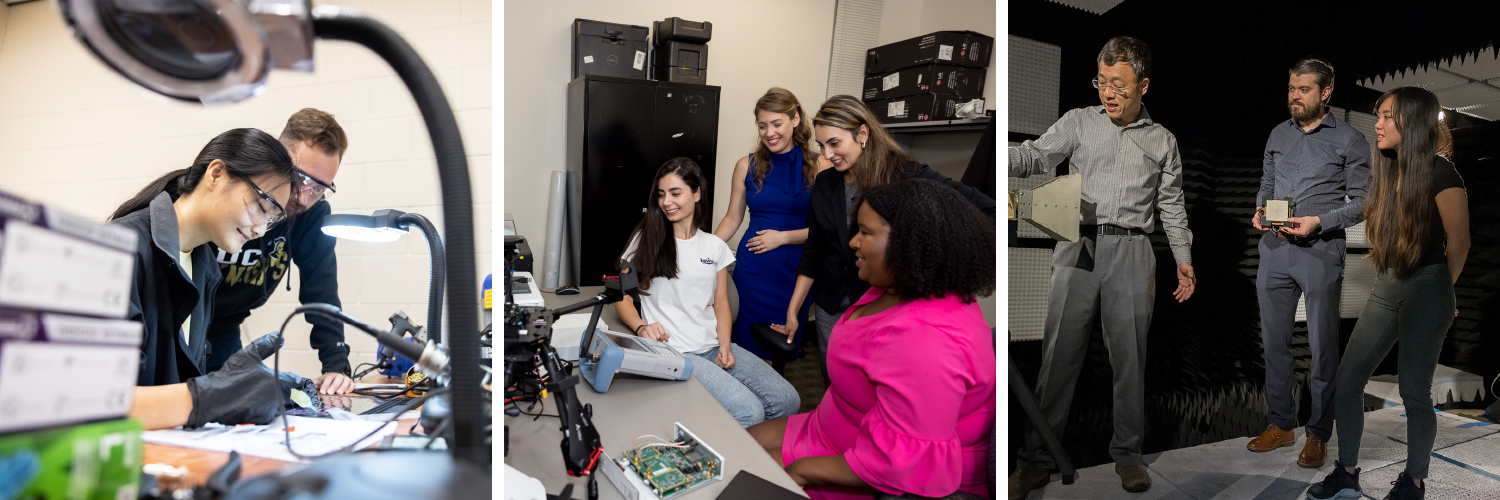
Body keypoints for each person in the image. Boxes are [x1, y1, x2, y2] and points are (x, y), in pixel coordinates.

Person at [1008, 36, 1195, 497]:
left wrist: (1184, 259)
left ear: (1143, 86)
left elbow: (1172, 206)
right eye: (1102, 82)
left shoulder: (1163, 140)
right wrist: (999, 154)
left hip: (1133, 251)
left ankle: (1128, 455)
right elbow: (1035, 156)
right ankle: (1037, 458)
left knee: (1130, 360)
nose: (1108, 93)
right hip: (1078, 246)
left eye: (1119, 85)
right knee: (1058, 358)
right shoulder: (1078, 121)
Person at [748, 178, 996, 499]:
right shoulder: (892, 287)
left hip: (871, 471)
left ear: (909, 243)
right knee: (729, 445)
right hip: (831, 427)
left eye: (865, 233)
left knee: (731, 477)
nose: (853, 241)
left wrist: (799, 471)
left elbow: (902, 466)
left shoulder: (927, 341)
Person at [1307, 86, 1468, 500]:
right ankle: (1347, 472)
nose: (1377, 125)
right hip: (1388, 283)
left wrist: (1442, 293)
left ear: (1411, 122)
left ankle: (1414, 482)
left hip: (1428, 285)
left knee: (1414, 392)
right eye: (1377, 116)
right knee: (1348, 381)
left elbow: (1460, 242)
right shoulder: (1388, 171)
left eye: (1386, 117)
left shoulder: (1441, 172)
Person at [109, 128, 313, 430]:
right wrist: (212, 396)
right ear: (216, 174)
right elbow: (102, 400)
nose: (260, 230)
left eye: (271, 220)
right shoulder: (120, 250)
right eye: (260, 208)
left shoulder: (204, 268)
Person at [775, 95, 994, 374]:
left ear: (862, 134)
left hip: (883, 305)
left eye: (834, 143)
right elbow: (814, 249)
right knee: (835, 378)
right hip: (831, 304)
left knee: (877, 384)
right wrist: (794, 309)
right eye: (821, 145)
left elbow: (988, 210)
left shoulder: (905, 175)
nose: (827, 155)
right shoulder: (825, 182)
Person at [1248, 58, 1370, 468]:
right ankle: (1281, 425)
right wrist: (1260, 209)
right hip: (1275, 250)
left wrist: (1320, 221)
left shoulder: (1350, 139)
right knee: (1275, 344)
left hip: (1320, 252)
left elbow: (1363, 203)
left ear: (1325, 92)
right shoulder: (1278, 133)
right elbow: (1267, 183)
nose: (1295, 96)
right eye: (1291, 89)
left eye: (1304, 90)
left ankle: (1318, 432)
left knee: (1322, 348)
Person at [614, 158, 801, 427]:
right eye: (662, 195)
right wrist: (642, 327)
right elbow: (622, 298)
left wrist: (724, 345)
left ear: (697, 193)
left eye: (675, 193)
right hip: (675, 351)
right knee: (749, 411)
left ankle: (748, 447)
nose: (667, 202)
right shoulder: (645, 241)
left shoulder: (714, 246)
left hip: (712, 346)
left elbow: (721, 304)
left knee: (787, 400)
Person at [207, 108, 353, 395]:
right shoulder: (237, 191)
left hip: (225, 329)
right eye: (301, 178)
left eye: (319, 188)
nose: (304, 198)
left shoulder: (311, 215)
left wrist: (336, 365)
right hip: (176, 326)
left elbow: (321, 289)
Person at [713, 87, 832, 363]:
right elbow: (732, 218)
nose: (769, 132)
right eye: (762, 125)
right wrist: (705, 252)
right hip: (752, 271)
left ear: (796, 119)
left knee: (776, 349)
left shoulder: (820, 165)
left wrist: (782, 237)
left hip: (796, 273)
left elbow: (828, 229)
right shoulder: (746, 165)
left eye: (777, 124)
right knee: (741, 349)